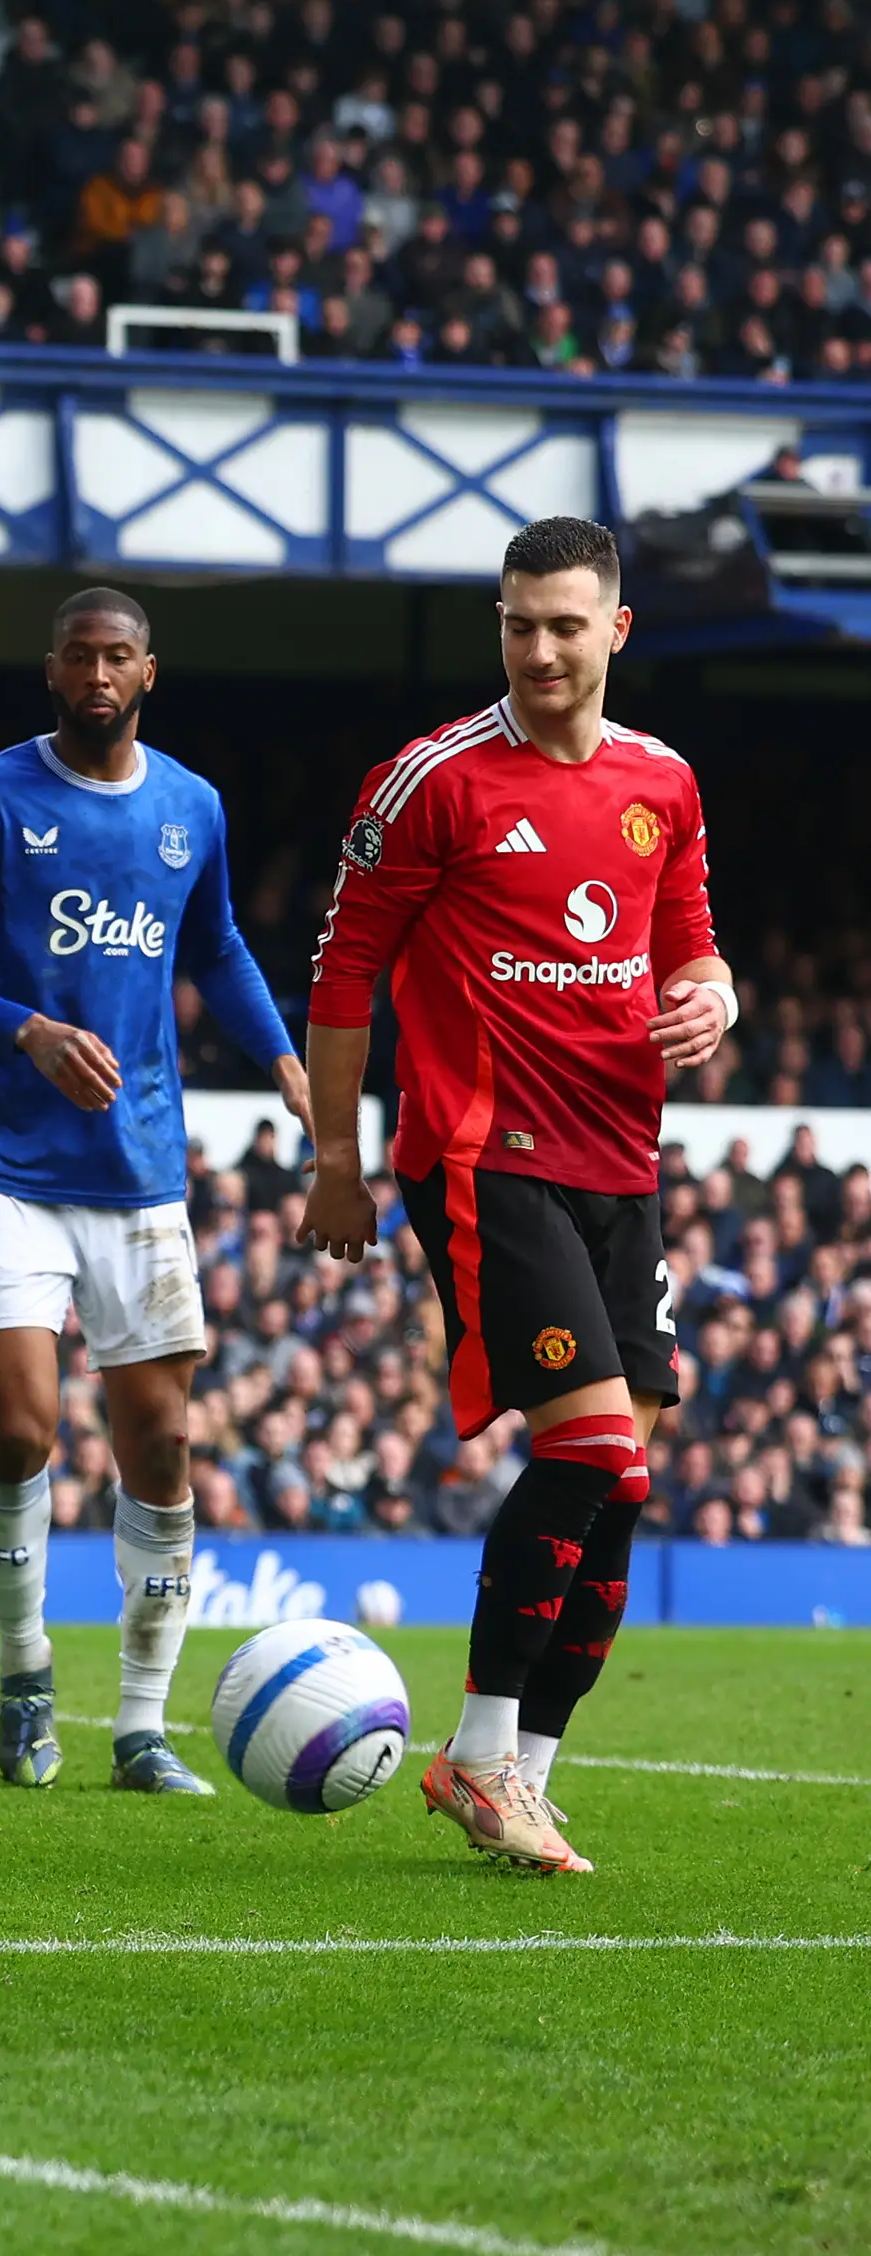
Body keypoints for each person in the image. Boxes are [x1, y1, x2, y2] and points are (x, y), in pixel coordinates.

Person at [302, 515, 729, 1874]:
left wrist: (713, 996)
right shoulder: (432, 781)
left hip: (622, 1163)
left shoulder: (665, 778)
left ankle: (524, 1780)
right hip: (485, 1155)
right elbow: (342, 976)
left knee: (627, 1484)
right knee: (593, 1448)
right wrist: (335, 1162)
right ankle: (480, 1755)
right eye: (515, 622)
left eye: (563, 623)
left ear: (615, 631)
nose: (538, 648)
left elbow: (689, 944)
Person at [0, 588, 308, 1797]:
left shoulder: (191, 806)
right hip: (6, 1163)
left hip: (137, 1171)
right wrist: (28, 1031)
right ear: (53, 671)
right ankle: (26, 1670)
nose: (100, 674)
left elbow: (214, 945)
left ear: (149, 673)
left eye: (119, 656)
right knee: (22, 1428)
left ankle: (139, 1725)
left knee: (161, 1441)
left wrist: (281, 1057)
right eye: (81, 656)